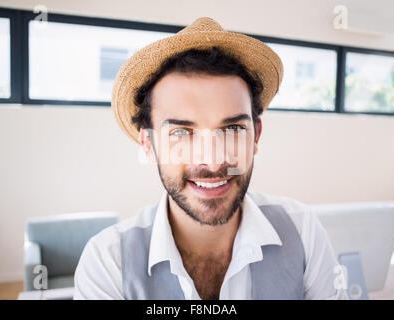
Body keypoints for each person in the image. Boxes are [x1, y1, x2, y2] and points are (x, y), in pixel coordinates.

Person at [74, 17, 347, 300]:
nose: (214, 161)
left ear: (255, 136)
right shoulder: (107, 263)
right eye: (182, 131)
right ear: (148, 144)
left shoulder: (303, 231)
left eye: (232, 129)